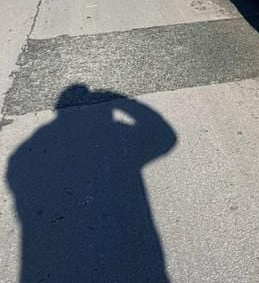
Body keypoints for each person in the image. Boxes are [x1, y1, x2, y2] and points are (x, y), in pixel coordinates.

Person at [7, 84, 177, 283]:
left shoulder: (27, 149)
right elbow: (164, 137)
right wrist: (122, 100)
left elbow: (16, 181)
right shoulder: (117, 133)